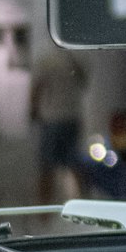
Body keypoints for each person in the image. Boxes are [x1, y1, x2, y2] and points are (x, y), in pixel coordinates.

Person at [30, 45, 87, 203]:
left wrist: (33, 112)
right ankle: (83, 204)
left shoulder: (47, 60)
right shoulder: (76, 59)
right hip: (71, 117)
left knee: (47, 166)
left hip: (52, 118)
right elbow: (84, 81)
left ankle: (44, 209)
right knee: (73, 162)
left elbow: (37, 88)